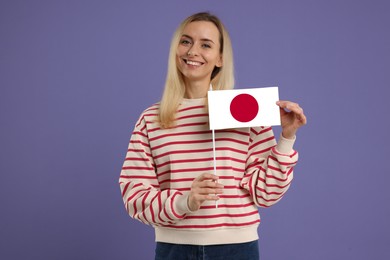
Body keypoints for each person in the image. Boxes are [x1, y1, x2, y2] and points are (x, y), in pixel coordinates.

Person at [119, 12, 307, 260]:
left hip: (237, 248)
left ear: (220, 58)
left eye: (205, 44)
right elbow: (135, 195)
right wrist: (185, 201)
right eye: (186, 41)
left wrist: (286, 138)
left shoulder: (245, 112)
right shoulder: (151, 118)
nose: (193, 51)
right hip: (174, 249)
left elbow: (266, 193)